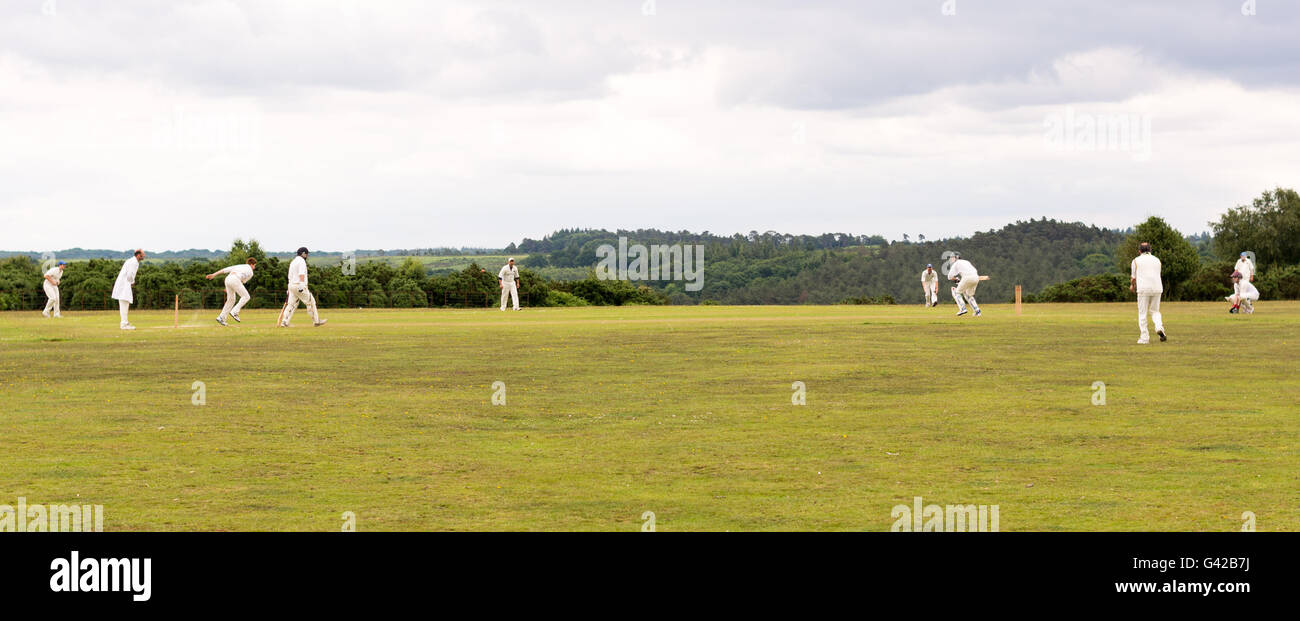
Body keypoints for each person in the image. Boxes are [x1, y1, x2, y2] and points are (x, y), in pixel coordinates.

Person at [278, 247, 326, 327]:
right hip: (298, 285)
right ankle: (316, 321)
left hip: (291, 285)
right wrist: (301, 285)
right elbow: (301, 274)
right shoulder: (302, 262)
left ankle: (284, 321)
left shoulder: (293, 262)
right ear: (303, 254)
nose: (307, 256)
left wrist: (289, 289)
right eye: (306, 254)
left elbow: (290, 276)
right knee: (311, 302)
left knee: (291, 304)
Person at [1129, 242, 1166, 344]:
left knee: (1142, 313)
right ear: (1150, 250)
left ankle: (1144, 338)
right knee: (1155, 311)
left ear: (1139, 251)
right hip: (1157, 288)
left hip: (1143, 289)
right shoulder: (1157, 260)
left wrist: (1132, 285)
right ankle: (1159, 327)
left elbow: (1133, 277)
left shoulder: (1136, 261)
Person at [206, 258, 257, 326]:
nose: (254, 268)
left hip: (228, 279)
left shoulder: (239, 266)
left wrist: (214, 274)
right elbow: (241, 281)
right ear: (251, 264)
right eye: (254, 265)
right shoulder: (251, 272)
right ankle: (234, 312)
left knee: (231, 300)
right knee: (246, 297)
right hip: (235, 279)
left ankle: (221, 317)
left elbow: (224, 270)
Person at [112, 249, 145, 330]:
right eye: (143, 254)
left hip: (124, 284)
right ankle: (124, 324)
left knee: (125, 303)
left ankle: (125, 323)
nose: (144, 256)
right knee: (124, 303)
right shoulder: (134, 262)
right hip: (124, 284)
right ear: (138, 255)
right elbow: (129, 274)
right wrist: (132, 282)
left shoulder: (132, 261)